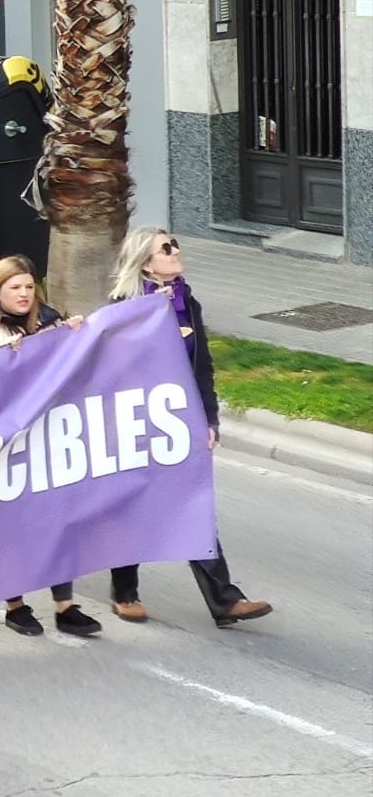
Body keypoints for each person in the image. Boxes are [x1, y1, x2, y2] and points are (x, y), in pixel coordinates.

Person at [103, 230, 271, 628]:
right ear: (145, 262)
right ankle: (124, 593)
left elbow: (203, 367)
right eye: (165, 248)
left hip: (179, 422)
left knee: (193, 505)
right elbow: (113, 367)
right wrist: (148, 317)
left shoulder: (186, 301)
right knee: (135, 506)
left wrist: (209, 419)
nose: (175, 250)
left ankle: (225, 601)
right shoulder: (124, 306)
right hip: (138, 422)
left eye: (175, 243)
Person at [0, 255, 98, 638]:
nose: (24, 294)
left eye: (28, 286)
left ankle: (65, 605)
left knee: (60, 519)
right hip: (6, 443)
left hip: (49, 436)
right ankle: (15, 605)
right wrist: (8, 360)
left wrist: (73, 337)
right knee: (11, 525)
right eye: (15, 288)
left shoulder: (48, 317)